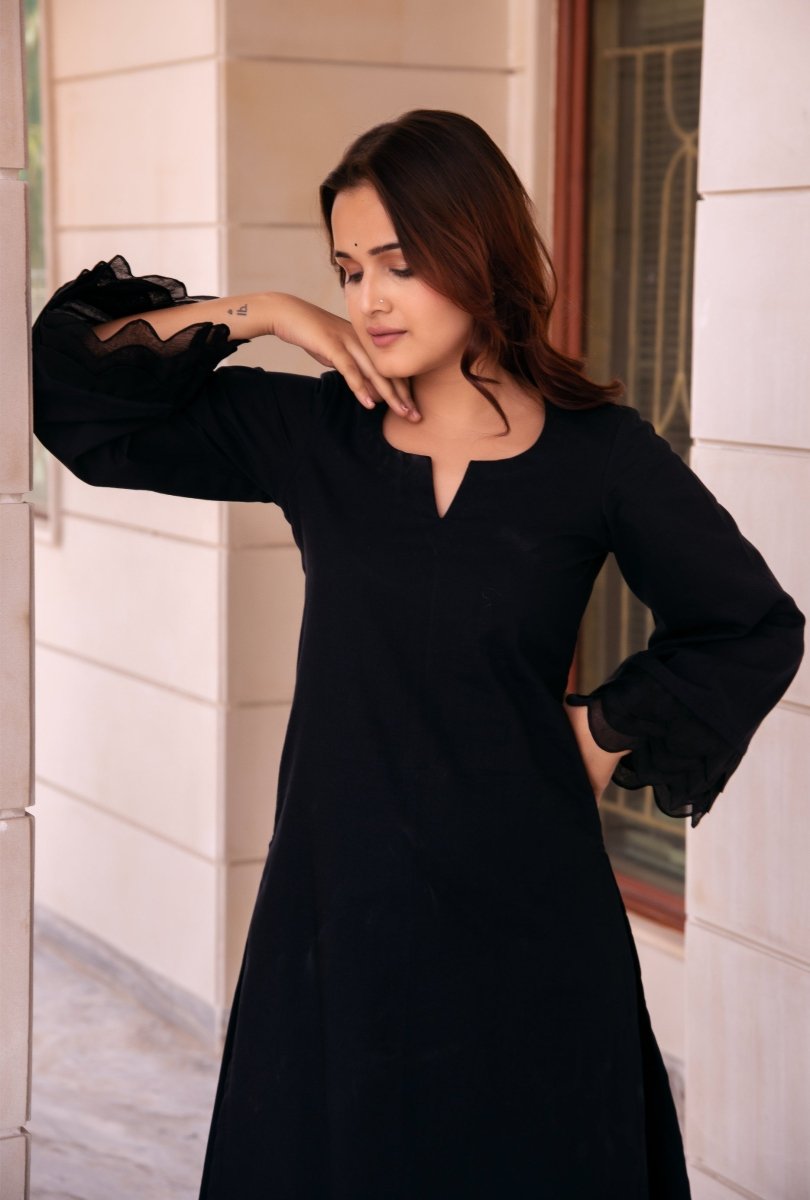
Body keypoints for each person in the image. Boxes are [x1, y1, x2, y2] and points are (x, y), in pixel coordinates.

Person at [32, 109, 804, 1199]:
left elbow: (749, 621)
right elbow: (68, 393)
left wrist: (600, 730)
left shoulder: (599, 457)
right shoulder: (316, 432)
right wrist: (270, 312)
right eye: (349, 271)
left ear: (478, 248)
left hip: (529, 906)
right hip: (334, 904)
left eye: (400, 262)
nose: (370, 299)